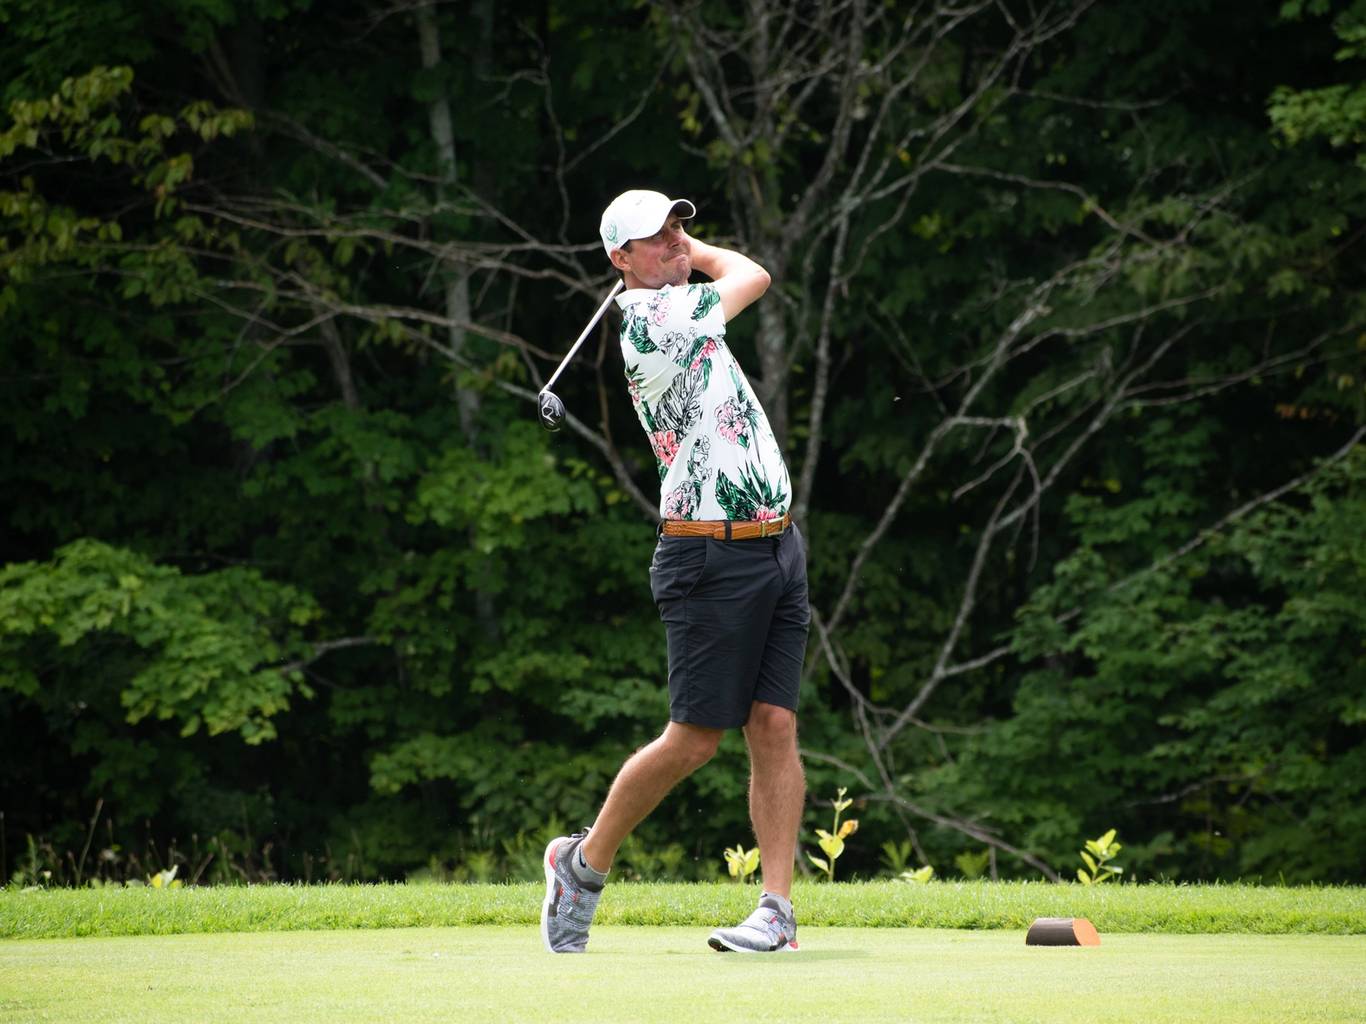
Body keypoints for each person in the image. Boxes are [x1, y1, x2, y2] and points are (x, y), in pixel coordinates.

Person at [541, 190, 810, 954]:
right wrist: (701, 256)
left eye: (679, 229)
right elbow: (754, 273)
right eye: (654, 240)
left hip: (774, 546)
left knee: (775, 724)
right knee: (695, 739)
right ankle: (582, 865)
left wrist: (684, 254)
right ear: (619, 261)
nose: (674, 244)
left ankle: (777, 912)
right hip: (708, 555)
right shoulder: (652, 318)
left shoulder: (683, 302)